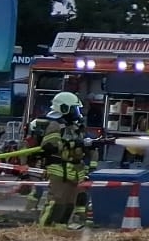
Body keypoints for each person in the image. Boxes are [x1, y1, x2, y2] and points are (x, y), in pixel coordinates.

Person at [36, 92, 101, 230]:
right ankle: (43, 231)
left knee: (68, 204)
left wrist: (84, 145)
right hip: (60, 170)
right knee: (56, 202)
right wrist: (72, 144)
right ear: (64, 108)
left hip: (73, 171)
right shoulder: (55, 125)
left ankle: (60, 230)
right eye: (74, 109)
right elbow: (49, 146)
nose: (77, 113)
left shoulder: (74, 127)